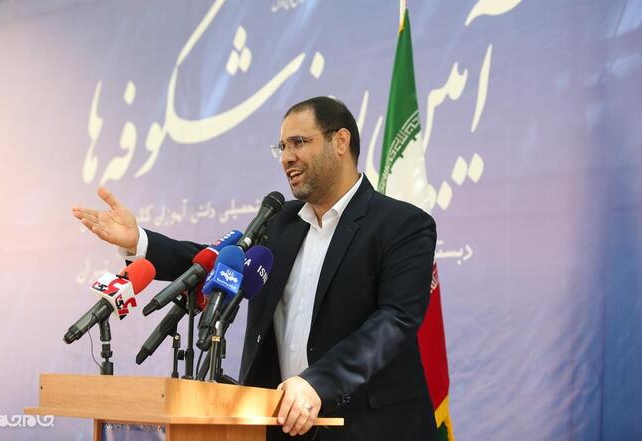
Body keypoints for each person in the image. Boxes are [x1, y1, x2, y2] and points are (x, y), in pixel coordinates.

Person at [73, 96, 438, 441]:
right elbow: (214, 262)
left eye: (298, 143)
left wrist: (318, 383)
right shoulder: (280, 222)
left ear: (340, 141)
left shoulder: (403, 225)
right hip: (278, 424)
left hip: (370, 427)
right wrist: (140, 242)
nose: (287, 158)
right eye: (282, 147)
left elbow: (394, 321)